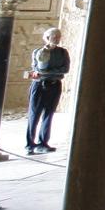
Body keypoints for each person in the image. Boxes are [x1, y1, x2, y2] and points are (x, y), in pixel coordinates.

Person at [25, 27, 70, 155]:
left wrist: (46, 72)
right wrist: (52, 71)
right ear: (47, 38)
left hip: (54, 85)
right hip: (39, 85)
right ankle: (29, 144)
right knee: (34, 115)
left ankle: (43, 143)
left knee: (48, 115)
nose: (57, 39)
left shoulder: (62, 52)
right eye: (54, 37)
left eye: (58, 37)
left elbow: (65, 69)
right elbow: (37, 68)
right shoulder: (38, 52)